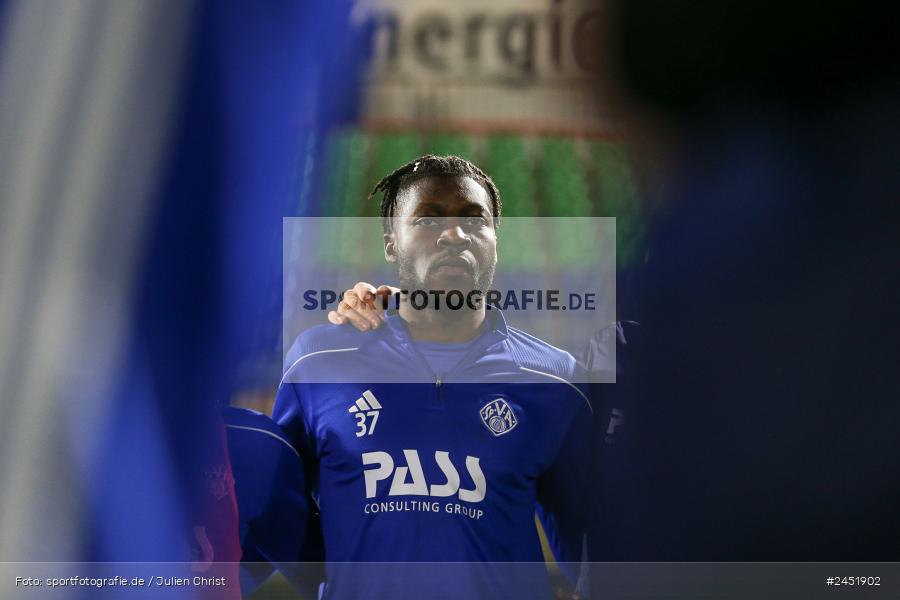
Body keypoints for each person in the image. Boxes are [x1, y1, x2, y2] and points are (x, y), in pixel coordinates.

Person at [273, 155, 592, 600]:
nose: (454, 234)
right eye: (426, 219)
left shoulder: (557, 380)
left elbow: (588, 543)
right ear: (391, 243)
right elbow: (278, 512)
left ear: (495, 239)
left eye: (473, 219)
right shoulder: (319, 361)